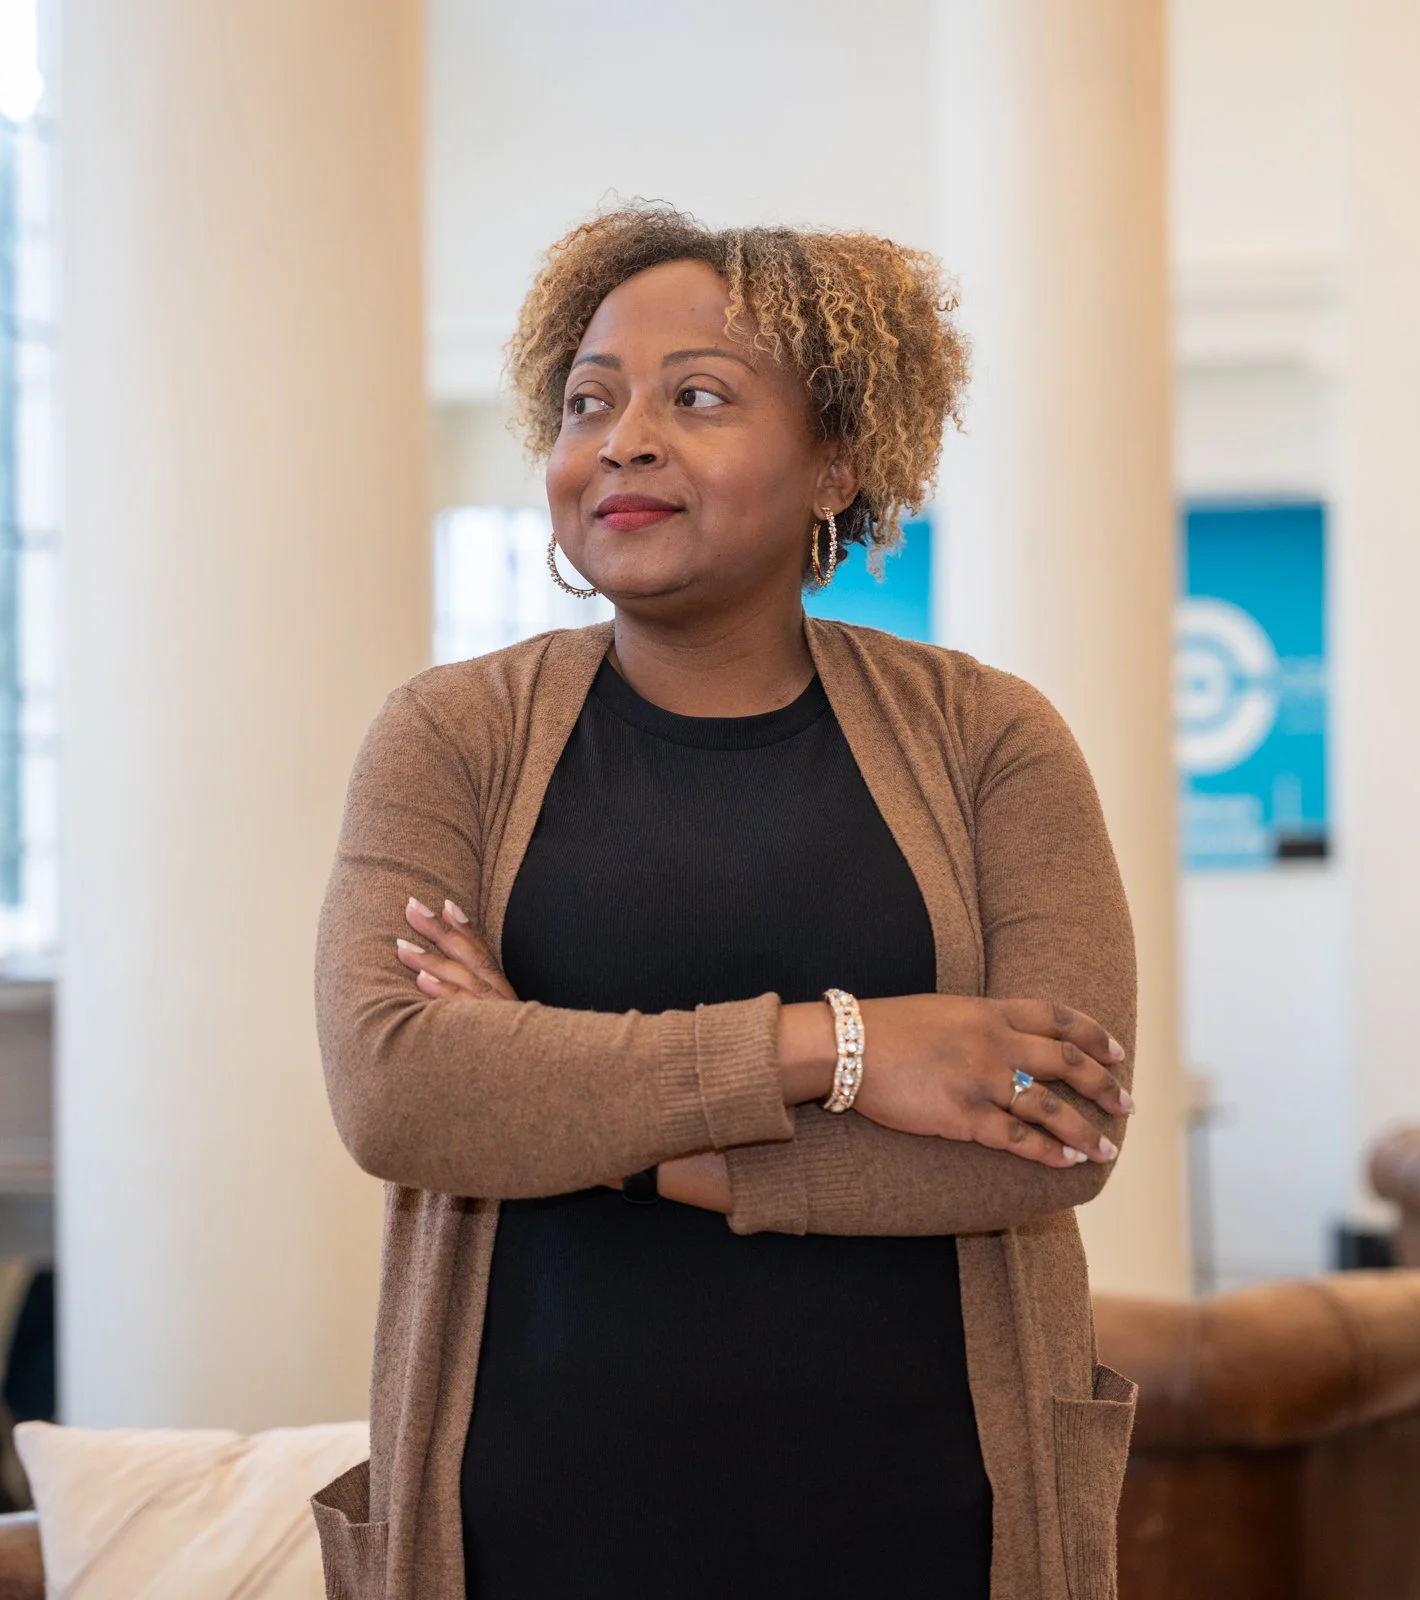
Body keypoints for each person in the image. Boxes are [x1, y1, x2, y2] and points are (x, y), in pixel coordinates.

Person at [309, 203, 1141, 1600]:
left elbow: (1049, 1140)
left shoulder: (990, 738)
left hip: (933, 1522)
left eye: (696, 396)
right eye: (589, 402)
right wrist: (847, 1046)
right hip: (530, 1531)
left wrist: (588, 1131)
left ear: (835, 463)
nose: (623, 440)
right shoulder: (450, 736)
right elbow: (400, 1093)